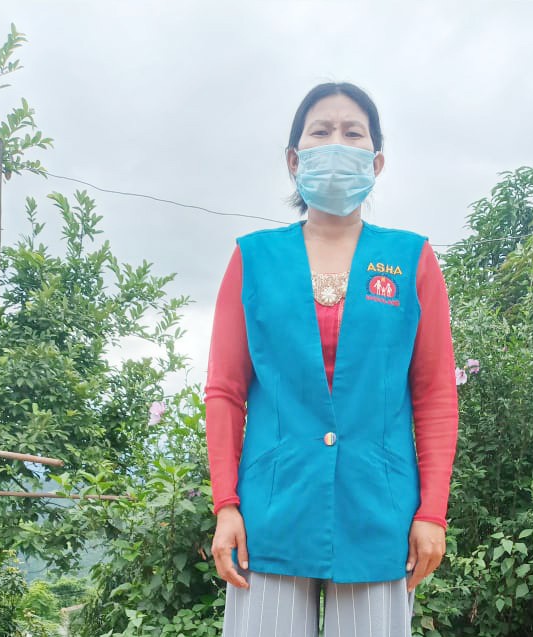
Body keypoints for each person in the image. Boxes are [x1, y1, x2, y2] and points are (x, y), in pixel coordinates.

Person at [205, 82, 459, 637]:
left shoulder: (411, 258)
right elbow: (225, 391)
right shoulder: (253, 259)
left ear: (377, 159)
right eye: (320, 131)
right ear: (295, 158)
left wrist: (431, 512)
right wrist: (226, 504)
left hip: (378, 509)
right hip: (270, 512)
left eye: (353, 132)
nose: (336, 142)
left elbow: (435, 393)